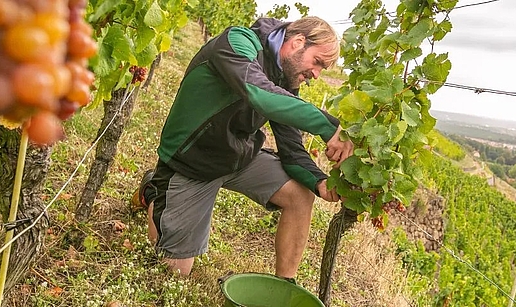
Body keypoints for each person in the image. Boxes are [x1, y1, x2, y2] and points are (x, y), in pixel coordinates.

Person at [133, 16, 354, 279]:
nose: (316, 76)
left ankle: (284, 285)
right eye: (317, 62)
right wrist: (328, 127)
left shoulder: (286, 76)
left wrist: (318, 182)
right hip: (191, 161)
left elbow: (291, 146)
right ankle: (155, 189)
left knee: (300, 195)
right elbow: (257, 92)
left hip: (236, 157)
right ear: (297, 42)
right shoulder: (238, 42)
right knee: (174, 274)